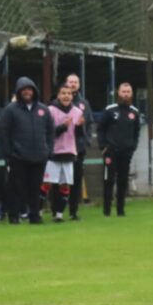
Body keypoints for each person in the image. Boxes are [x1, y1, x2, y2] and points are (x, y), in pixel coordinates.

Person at [0, 77, 54, 224]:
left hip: (39, 156)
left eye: (29, 89)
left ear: (34, 91)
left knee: (35, 188)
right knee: (16, 188)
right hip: (18, 157)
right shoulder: (10, 110)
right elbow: (3, 132)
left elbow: (50, 132)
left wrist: (48, 150)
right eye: (24, 90)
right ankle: (14, 216)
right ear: (19, 92)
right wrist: (9, 153)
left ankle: (35, 216)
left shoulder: (44, 110)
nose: (27, 92)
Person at [97, 82, 141, 217]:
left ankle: (121, 210)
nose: (126, 94)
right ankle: (106, 211)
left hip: (126, 152)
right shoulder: (110, 109)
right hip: (110, 152)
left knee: (122, 181)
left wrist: (132, 147)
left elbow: (136, 132)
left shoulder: (135, 112)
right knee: (108, 181)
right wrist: (103, 146)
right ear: (118, 93)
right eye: (123, 91)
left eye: (128, 92)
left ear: (132, 94)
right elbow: (101, 129)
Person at [44, 84, 84, 222]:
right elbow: (48, 133)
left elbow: (78, 136)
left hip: (69, 153)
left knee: (65, 185)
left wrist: (79, 127)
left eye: (69, 93)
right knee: (46, 184)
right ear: (58, 95)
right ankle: (37, 211)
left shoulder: (77, 112)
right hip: (53, 153)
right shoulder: (50, 110)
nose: (66, 95)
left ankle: (59, 215)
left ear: (72, 95)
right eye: (63, 93)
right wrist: (62, 127)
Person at [64, 73, 93, 219]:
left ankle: (73, 211)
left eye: (76, 82)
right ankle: (58, 210)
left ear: (79, 84)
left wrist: (87, 139)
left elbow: (90, 123)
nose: (73, 84)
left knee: (76, 180)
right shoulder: (59, 101)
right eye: (70, 81)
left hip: (78, 147)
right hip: (62, 147)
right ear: (66, 83)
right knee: (61, 180)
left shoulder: (84, 103)